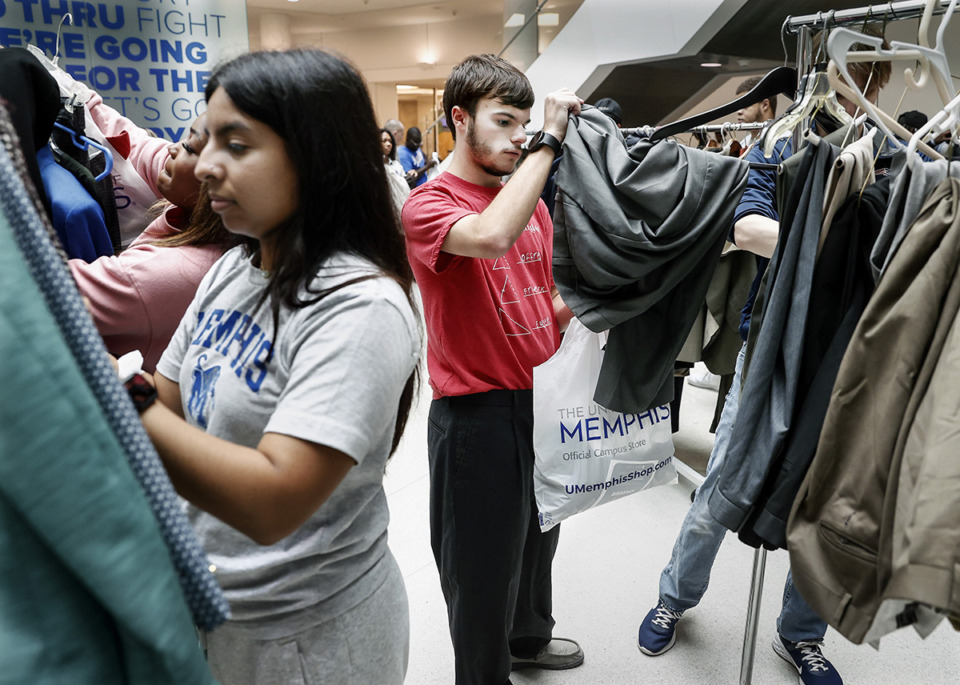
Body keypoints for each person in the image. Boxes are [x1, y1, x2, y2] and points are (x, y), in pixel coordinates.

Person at [134, 49, 421, 685]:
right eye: (207, 140)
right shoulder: (234, 269)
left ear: (315, 154)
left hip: (309, 639)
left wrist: (120, 396)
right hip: (214, 610)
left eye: (236, 144)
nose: (205, 165)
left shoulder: (362, 305)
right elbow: (173, 400)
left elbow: (272, 500)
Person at [636, 30, 891, 685]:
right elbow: (744, 228)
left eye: (875, 77)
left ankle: (800, 634)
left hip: (851, 354)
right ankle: (673, 596)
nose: (861, 89)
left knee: (821, 497)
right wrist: (829, 248)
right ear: (824, 75)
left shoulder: (895, 156)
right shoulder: (784, 144)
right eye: (852, 75)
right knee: (726, 483)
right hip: (772, 343)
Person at [402, 53, 584, 685]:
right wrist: (548, 145)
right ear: (460, 118)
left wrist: (601, 302)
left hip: (542, 398)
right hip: (476, 414)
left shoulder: (526, 199)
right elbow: (487, 239)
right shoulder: (429, 203)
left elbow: (542, 298)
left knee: (541, 538)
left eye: (526, 124)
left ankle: (530, 638)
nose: (518, 137)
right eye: (504, 122)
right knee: (480, 568)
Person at [69, 107, 237, 372]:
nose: (172, 149)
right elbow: (136, 144)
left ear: (215, 175)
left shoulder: (164, 273)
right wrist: (84, 100)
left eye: (190, 148)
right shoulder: (209, 212)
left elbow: (45, 290)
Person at [381, 127, 411, 216]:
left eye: (390, 141)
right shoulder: (376, 168)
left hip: (402, 209)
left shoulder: (396, 165)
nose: (388, 144)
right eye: (384, 141)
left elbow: (403, 186)